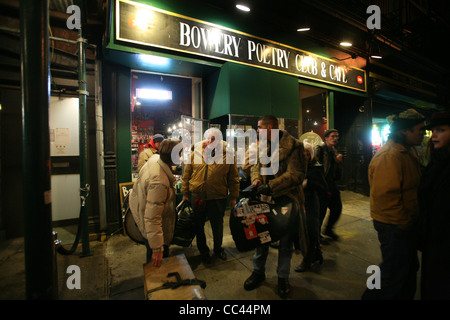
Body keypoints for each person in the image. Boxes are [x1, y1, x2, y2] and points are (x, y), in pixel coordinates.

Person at [362, 108, 426, 300]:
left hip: (402, 225)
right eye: (419, 129)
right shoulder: (390, 156)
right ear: (405, 130)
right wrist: (404, 223)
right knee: (392, 273)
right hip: (394, 226)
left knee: (404, 269)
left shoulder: (406, 152)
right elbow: (386, 200)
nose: (423, 133)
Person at [244, 115, 307, 298]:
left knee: (285, 243)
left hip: (286, 201)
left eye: (259, 126)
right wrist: (256, 179)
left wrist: (271, 186)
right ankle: (258, 272)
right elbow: (255, 165)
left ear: (270, 127)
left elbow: (296, 174)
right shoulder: (263, 144)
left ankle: (282, 278)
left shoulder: (295, 145)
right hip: (264, 200)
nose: (257, 130)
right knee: (261, 239)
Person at [181, 128, 239, 264]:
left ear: (219, 140)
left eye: (213, 139)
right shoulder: (195, 151)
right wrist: (185, 193)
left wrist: (233, 197)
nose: (209, 141)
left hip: (217, 196)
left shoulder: (228, 154)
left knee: (217, 225)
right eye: (208, 138)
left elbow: (233, 177)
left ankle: (218, 249)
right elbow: (187, 173)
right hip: (197, 195)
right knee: (198, 225)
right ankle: (203, 251)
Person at [129, 139, 181, 266]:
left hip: (147, 221)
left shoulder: (154, 159)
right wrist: (157, 248)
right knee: (157, 267)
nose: (180, 157)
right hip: (156, 230)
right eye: (179, 154)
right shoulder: (159, 182)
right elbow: (152, 217)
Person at [418, 111, 450, 300]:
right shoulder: (437, 161)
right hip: (433, 242)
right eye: (433, 131)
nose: (434, 135)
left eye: (441, 130)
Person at [295, 139, 328, 272]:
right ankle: (317, 254)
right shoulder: (297, 167)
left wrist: (309, 183)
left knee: (310, 232)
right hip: (300, 204)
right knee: (305, 233)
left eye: (307, 154)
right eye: (302, 154)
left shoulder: (315, 169)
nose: (304, 156)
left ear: (310, 155)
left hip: (311, 204)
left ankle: (308, 260)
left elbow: (323, 188)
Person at [316, 129, 343, 241]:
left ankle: (328, 229)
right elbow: (318, 168)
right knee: (321, 211)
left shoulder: (334, 151)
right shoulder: (321, 150)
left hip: (332, 183)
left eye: (337, 136)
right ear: (326, 138)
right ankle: (317, 235)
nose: (335, 138)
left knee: (337, 208)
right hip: (323, 184)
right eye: (332, 136)